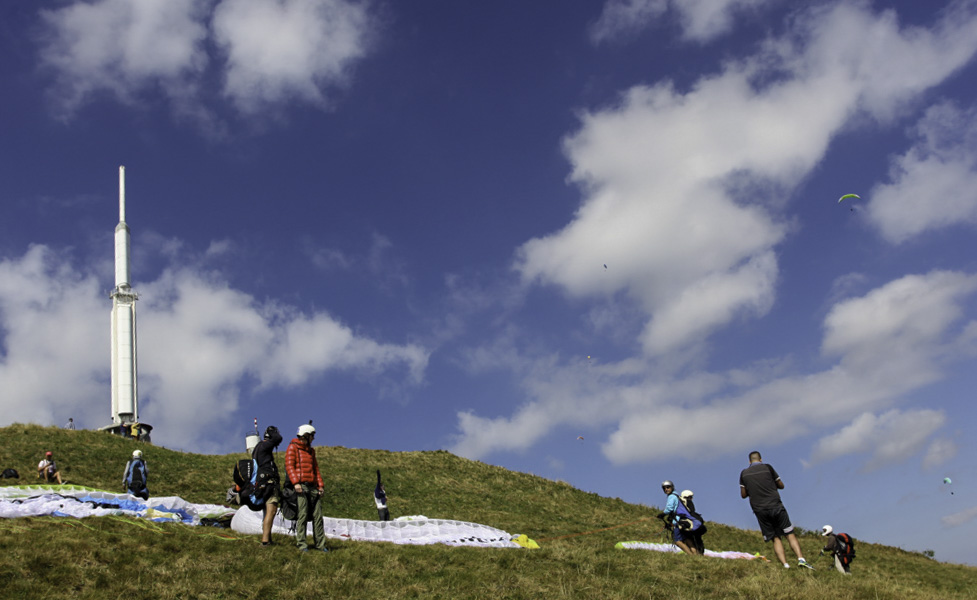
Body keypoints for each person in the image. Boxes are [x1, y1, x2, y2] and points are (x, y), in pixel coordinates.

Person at [739, 451, 812, 570]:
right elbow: (781, 485)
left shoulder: (744, 473)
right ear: (760, 459)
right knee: (789, 534)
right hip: (776, 506)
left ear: (749, 461)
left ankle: (785, 565)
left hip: (760, 510)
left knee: (775, 538)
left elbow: (743, 494)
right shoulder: (768, 468)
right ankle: (801, 559)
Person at [285, 423, 328, 552]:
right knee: (302, 515)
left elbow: (316, 469)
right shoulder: (293, 448)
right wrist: (296, 483)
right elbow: (289, 466)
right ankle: (302, 544)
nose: (314, 438)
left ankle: (320, 544)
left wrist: (320, 485)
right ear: (306, 435)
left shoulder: (311, 451)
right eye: (312, 435)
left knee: (318, 516)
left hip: (313, 487)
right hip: (301, 486)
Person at [252, 425, 283, 546]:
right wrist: (272, 431)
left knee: (267, 512)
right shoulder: (265, 446)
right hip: (269, 483)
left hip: (262, 484)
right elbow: (278, 438)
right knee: (272, 510)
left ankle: (267, 539)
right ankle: (265, 541)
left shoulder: (257, 448)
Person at [660, 480, 697, 555]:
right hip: (684, 521)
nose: (666, 489)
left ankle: (691, 556)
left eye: (668, 487)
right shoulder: (677, 495)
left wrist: (662, 514)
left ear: (672, 487)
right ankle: (696, 555)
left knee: (677, 541)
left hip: (678, 522)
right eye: (664, 488)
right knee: (686, 539)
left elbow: (669, 508)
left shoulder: (672, 496)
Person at [679, 489, 707, 554]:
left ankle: (696, 553)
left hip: (689, 525)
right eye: (690, 497)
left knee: (691, 540)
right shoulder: (688, 502)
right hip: (693, 525)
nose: (691, 498)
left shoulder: (681, 503)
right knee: (696, 540)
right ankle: (698, 553)